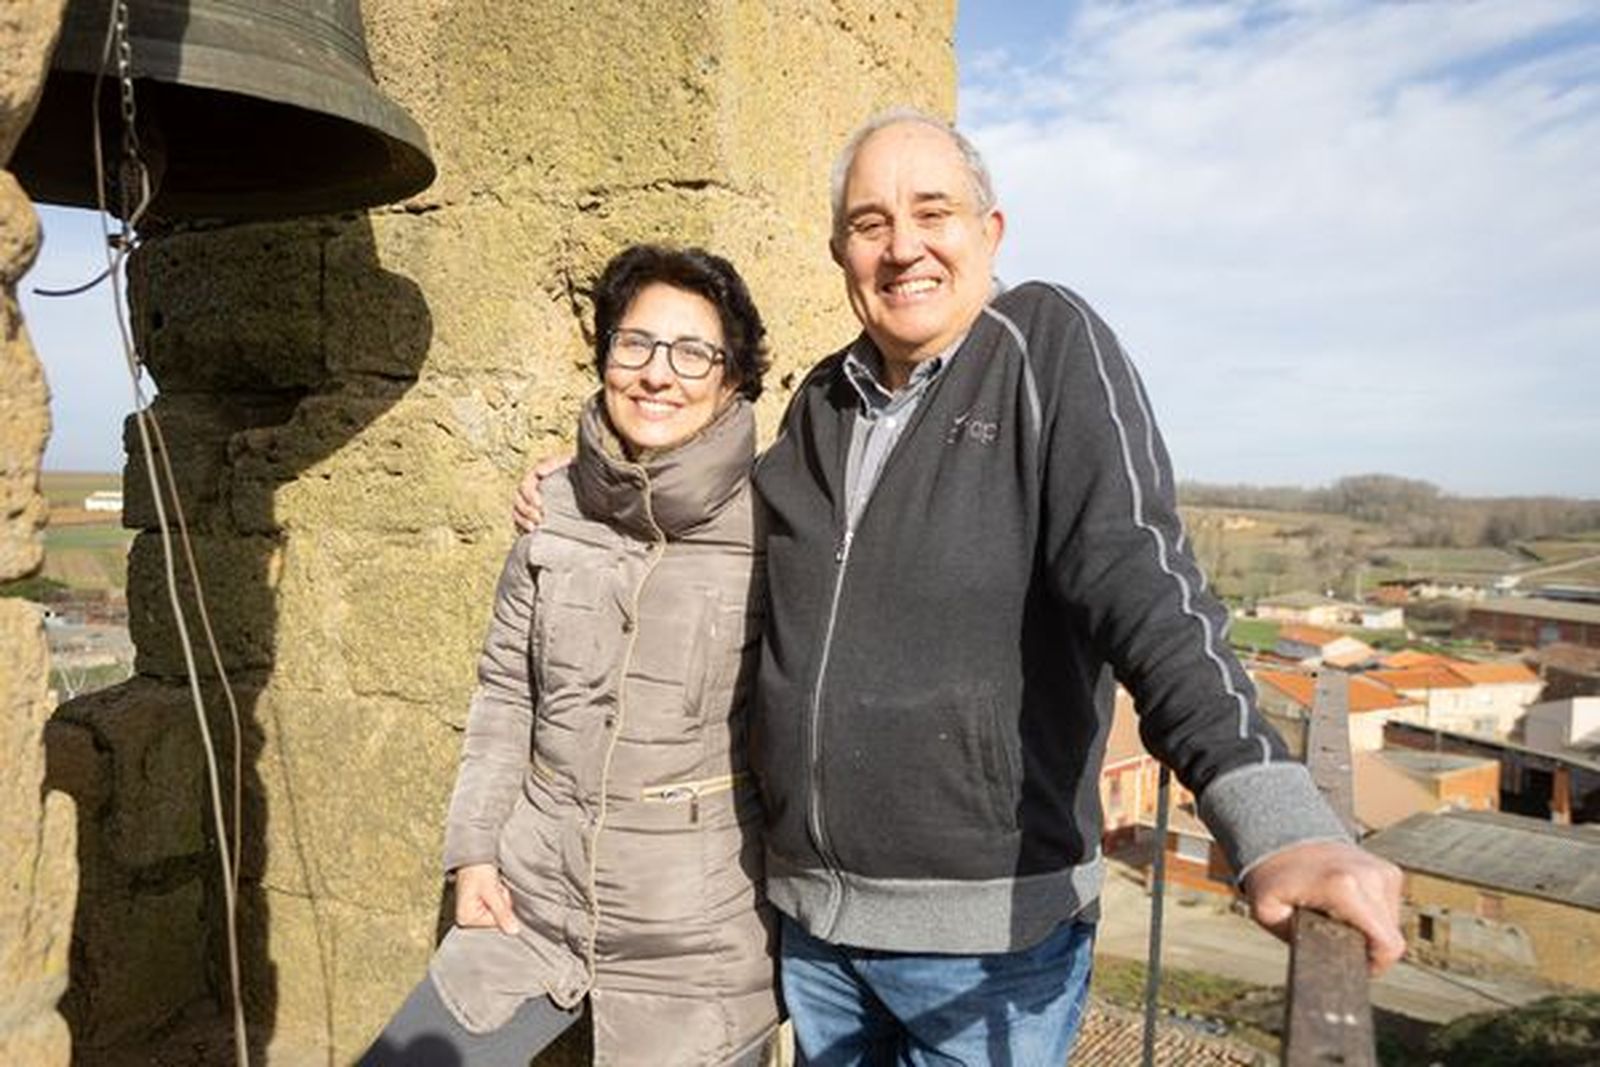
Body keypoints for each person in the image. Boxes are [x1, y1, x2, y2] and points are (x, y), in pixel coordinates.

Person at [518, 110, 1405, 1065]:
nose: (904, 248)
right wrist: (587, 490)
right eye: (870, 223)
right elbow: (709, 524)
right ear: (839, 252)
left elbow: (1145, 581)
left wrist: (1272, 817)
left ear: (990, 232)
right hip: (815, 926)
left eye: (932, 212)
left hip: (989, 948)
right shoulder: (821, 400)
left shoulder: (1045, 347)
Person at [363, 244, 781, 1067]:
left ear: (732, 380)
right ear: (604, 357)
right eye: (635, 344)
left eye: (693, 352)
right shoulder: (553, 507)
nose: (658, 373)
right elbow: (505, 693)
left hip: (696, 945)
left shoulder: (780, 521)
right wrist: (474, 849)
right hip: (533, 905)